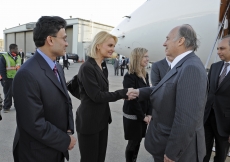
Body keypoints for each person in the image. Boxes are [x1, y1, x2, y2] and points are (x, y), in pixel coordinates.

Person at [127, 24, 208, 162]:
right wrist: (140, 92)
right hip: (164, 142)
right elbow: (167, 89)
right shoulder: (183, 64)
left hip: (176, 152)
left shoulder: (191, 68)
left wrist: (172, 153)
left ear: (180, 41)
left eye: (167, 39)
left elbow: (186, 119)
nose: (164, 43)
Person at [12, 16, 76, 162]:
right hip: (37, 153)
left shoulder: (57, 67)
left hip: (55, 147)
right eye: (64, 38)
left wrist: (68, 129)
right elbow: (33, 123)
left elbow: (65, 100)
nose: (67, 43)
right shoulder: (27, 74)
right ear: (50, 40)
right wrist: (65, 140)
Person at [76, 31, 135, 162]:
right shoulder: (87, 67)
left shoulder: (103, 66)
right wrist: (123, 93)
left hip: (102, 120)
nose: (113, 49)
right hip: (89, 122)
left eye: (113, 46)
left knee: (100, 158)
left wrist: (123, 95)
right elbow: (97, 96)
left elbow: (104, 93)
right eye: (110, 45)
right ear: (98, 45)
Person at [203, 35, 230, 162]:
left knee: (220, 155)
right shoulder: (215, 66)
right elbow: (207, 91)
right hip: (207, 118)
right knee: (203, 152)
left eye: (222, 48)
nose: (218, 52)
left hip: (225, 123)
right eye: (218, 48)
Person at [123, 48, 152, 162]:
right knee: (133, 143)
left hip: (143, 115)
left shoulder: (145, 74)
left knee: (138, 141)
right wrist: (143, 117)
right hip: (134, 116)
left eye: (147, 56)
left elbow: (149, 94)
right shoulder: (129, 76)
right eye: (145, 56)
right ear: (138, 57)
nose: (147, 59)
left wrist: (149, 113)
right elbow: (132, 100)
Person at [0, 44, 21, 113]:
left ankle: (17, 105)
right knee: (8, 93)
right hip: (7, 78)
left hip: (16, 78)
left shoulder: (18, 57)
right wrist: (4, 79)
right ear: (13, 49)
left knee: (17, 93)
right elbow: (2, 69)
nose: (18, 50)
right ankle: (6, 107)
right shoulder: (4, 57)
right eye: (17, 49)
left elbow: (21, 68)